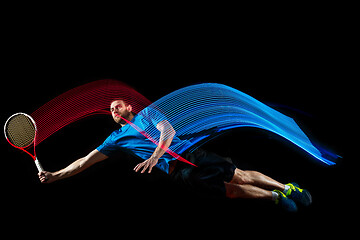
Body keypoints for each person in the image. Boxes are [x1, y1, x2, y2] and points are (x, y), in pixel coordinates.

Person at [38, 99, 312, 212]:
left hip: (190, 153)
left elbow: (167, 132)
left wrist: (155, 156)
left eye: (116, 105)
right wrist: (56, 175)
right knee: (230, 191)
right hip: (178, 173)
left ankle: (286, 186)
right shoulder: (115, 139)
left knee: (238, 174)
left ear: (129, 106)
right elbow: (85, 161)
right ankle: (275, 197)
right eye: (110, 110)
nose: (113, 110)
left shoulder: (148, 115)